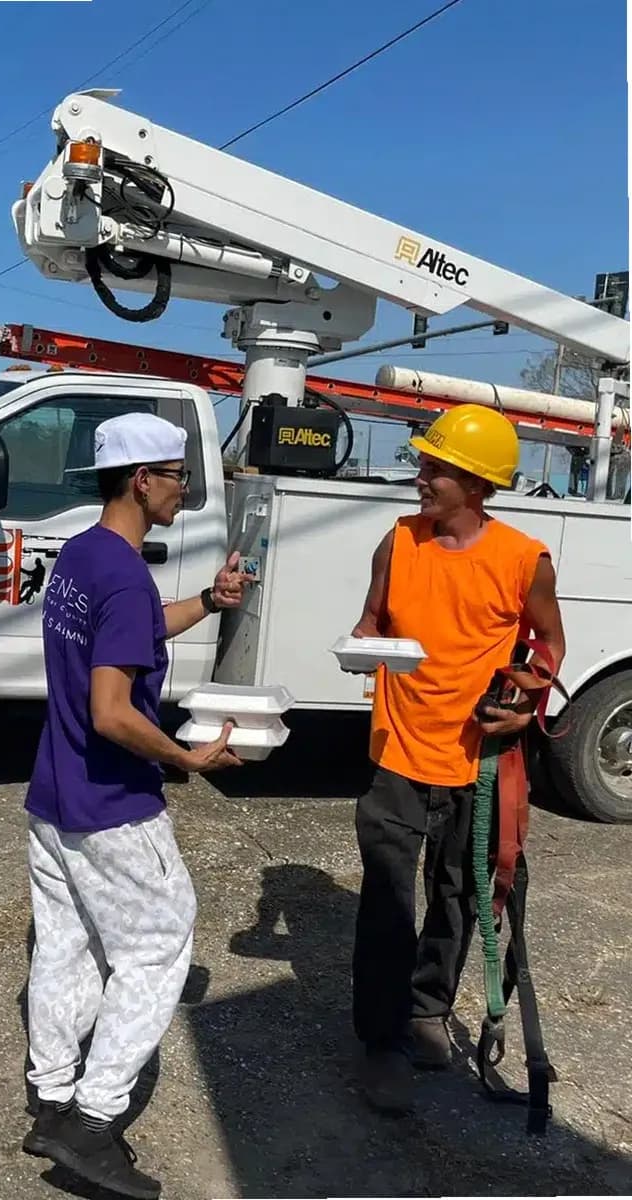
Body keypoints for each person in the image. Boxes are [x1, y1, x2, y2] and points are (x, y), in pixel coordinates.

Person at [21, 412, 247, 1198]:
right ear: (142, 480)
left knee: (66, 945)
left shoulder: (86, 556)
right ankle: (92, 1123)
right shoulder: (119, 574)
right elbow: (113, 711)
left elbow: (135, 630)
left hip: (55, 794)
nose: (186, 488)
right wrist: (185, 758)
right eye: (179, 475)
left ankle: (51, 1098)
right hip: (113, 801)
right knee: (157, 946)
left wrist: (209, 601)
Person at [345, 404, 566, 1115]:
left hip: (478, 759)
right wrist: (363, 645)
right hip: (398, 751)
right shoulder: (398, 543)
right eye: (423, 464)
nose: (420, 478)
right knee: (387, 900)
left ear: (476, 484)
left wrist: (526, 701)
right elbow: (371, 621)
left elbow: (549, 647)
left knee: (459, 895)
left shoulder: (524, 560)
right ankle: (382, 1042)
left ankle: (427, 1009)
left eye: (435, 469)